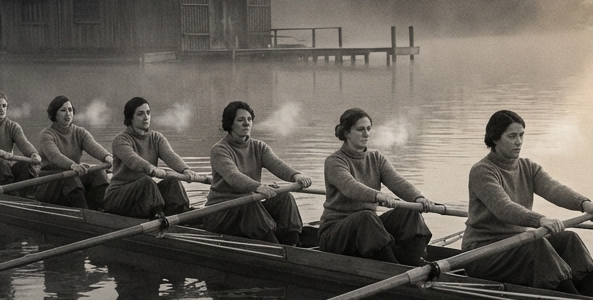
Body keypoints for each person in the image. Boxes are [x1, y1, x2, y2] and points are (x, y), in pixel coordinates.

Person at [463, 110, 593, 295]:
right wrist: (540, 220)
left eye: (521, 135)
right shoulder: (482, 171)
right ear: (495, 139)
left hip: (515, 245)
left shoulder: (527, 167)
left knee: (569, 239)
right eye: (512, 136)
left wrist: (584, 203)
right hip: (483, 253)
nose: (519, 142)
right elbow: (504, 208)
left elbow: (554, 189)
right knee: (536, 245)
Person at [318, 107, 434, 265]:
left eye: (368, 129)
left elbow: (397, 182)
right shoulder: (334, 162)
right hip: (334, 234)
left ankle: (415, 263)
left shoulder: (376, 158)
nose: (366, 134)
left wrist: (418, 197)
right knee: (366, 216)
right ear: (346, 133)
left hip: (367, 229)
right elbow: (350, 187)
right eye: (360, 129)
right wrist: (378, 196)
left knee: (410, 211)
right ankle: (395, 270)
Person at [202, 101, 312, 245]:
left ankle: (293, 245)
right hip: (221, 213)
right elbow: (233, 176)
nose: (246, 124)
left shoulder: (259, 147)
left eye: (249, 120)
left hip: (247, 209)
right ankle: (276, 249)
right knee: (250, 203)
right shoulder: (219, 150)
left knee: (284, 197)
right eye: (240, 120)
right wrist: (258, 187)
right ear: (230, 124)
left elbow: (277, 165)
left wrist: (296, 176)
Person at [103, 97, 208, 219]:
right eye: (140, 114)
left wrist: (185, 170)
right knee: (147, 182)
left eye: (148, 113)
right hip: (118, 197)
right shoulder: (120, 140)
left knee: (172, 181)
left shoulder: (156, 138)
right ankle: (158, 215)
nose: (146, 117)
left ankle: (181, 213)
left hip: (143, 195)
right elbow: (133, 160)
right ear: (130, 118)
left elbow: (170, 155)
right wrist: (151, 168)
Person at [36, 95, 113, 210]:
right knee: (69, 178)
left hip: (72, 178)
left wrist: (107, 157)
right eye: (63, 110)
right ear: (54, 114)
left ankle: (104, 211)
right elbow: (54, 156)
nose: (68, 114)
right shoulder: (46, 134)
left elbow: (93, 146)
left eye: (70, 109)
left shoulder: (79, 132)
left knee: (98, 173)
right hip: (49, 182)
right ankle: (85, 214)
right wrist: (73, 165)